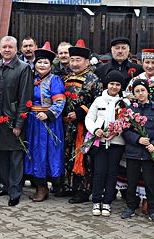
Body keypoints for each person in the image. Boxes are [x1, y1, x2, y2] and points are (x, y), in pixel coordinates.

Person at [120, 49, 154, 215]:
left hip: (153, 129)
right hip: (135, 132)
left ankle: (149, 203)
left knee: (151, 174)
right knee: (133, 173)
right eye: (147, 62)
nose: (150, 66)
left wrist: (147, 107)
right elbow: (126, 98)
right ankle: (132, 203)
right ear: (142, 63)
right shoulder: (136, 79)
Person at [0, 36, 33, 207]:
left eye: (10, 47)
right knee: (0, 154)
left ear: (16, 50)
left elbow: (25, 98)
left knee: (15, 156)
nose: (7, 50)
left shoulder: (23, 68)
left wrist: (19, 124)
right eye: (4, 47)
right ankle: (5, 186)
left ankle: (15, 191)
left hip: (14, 119)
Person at [120, 79, 154, 225]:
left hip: (148, 153)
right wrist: (137, 139)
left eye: (142, 90)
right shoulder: (130, 110)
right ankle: (130, 206)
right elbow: (125, 130)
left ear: (148, 92)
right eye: (137, 91)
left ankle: (153, 209)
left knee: (149, 182)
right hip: (133, 151)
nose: (140, 94)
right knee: (131, 180)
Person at [24, 48, 66, 202]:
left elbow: (60, 101)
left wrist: (48, 114)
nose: (42, 65)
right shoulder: (31, 79)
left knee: (45, 153)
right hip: (32, 122)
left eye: (45, 62)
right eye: (39, 62)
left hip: (48, 123)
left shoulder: (54, 80)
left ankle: (44, 187)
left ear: (50, 65)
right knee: (33, 152)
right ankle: (37, 184)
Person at [85, 70, 129, 216]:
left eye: (117, 85)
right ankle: (96, 201)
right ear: (106, 84)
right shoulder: (99, 100)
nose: (114, 87)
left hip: (117, 143)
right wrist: (95, 129)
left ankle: (108, 202)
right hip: (100, 142)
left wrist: (117, 131)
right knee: (99, 172)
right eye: (112, 84)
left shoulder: (125, 102)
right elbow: (89, 118)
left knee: (112, 173)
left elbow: (128, 122)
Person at [62, 45, 101, 203]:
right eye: (72, 60)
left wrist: (80, 112)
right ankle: (69, 185)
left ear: (87, 62)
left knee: (83, 158)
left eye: (78, 60)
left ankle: (83, 190)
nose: (74, 63)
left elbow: (98, 103)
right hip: (67, 125)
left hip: (84, 127)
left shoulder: (93, 79)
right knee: (67, 155)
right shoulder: (66, 77)